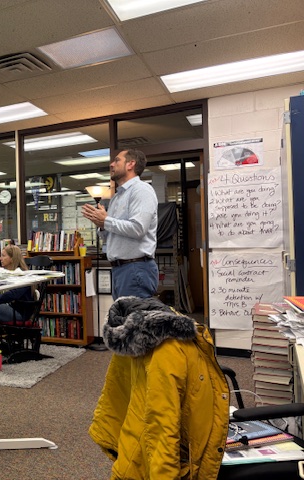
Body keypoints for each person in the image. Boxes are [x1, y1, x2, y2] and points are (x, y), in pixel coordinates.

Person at [89, 296, 229, 479]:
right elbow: (162, 427)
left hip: (136, 448)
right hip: (160, 457)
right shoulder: (171, 349)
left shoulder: (130, 335)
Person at [81, 149, 159, 299]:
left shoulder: (141, 191)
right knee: (123, 321)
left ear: (131, 164)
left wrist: (106, 220)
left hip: (135, 268)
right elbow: (113, 233)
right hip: (120, 270)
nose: (111, 164)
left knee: (134, 321)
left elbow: (138, 229)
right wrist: (102, 225)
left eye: (117, 160)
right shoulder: (117, 197)